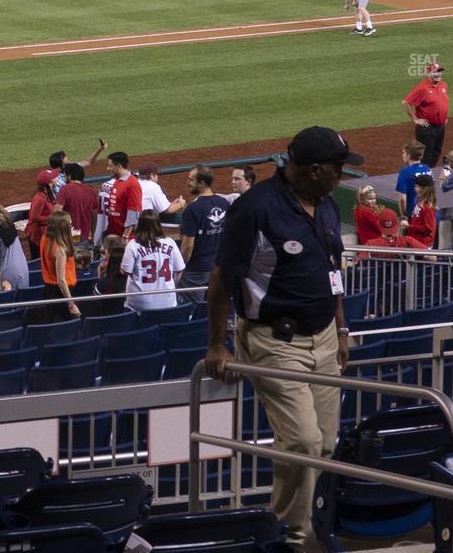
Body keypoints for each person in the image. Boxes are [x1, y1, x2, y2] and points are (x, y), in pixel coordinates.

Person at [203, 126, 359, 547]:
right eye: (338, 168)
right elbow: (221, 279)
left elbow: (332, 270)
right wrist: (218, 343)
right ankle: (290, 536)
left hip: (325, 337)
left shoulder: (325, 205)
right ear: (313, 170)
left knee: (325, 444)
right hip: (274, 341)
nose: (342, 176)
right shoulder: (255, 209)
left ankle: (286, 527)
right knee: (303, 441)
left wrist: (342, 328)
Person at [176, 167, 232, 293]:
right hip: (219, 266)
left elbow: (188, 246)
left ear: (201, 183)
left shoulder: (192, 209)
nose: (187, 183)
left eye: (191, 180)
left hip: (196, 271)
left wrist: (180, 268)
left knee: (190, 308)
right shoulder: (224, 203)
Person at [121, 210, 186, 311]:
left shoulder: (133, 245)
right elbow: (180, 269)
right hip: (168, 301)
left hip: (140, 304)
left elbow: (125, 272)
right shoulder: (170, 242)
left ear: (140, 225)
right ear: (158, 224)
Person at [37, 210, 82, 321]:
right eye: (69, 224)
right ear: (63, 228)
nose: (71, 227)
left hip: (49, 290)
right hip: (61, 294)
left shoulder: (45, 239)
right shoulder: (60, 249)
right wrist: (71, 305)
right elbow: (61, 280)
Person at [405, 63, 448, 168]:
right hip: (427, 128)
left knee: (436, 153)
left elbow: (441, 102)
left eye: (439, 71)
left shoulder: (443, 85)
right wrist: (415, 119)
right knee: (426, 156)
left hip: (440, 127)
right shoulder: (422, 88)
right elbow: (406, 102)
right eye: (435, 72)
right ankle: (422, 178)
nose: (438, 74)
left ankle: (429, 174)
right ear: (428, 73)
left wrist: (443, 117)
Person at [395, 142, 431, 220]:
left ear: (409, 155)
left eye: (404, 153)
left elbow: (402, 199)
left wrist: (404, 215)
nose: (402, 155)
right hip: (427, 212)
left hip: (413, 214)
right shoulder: (427, 168)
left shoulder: (405, 171)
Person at [401, 176, 439, 248]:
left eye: (418, 187)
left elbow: (428, 228)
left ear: (425, 190)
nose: (415, 188)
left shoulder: (428, 208)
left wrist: (409, 226)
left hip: (422, 245)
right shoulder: (420, 200)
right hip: (415, 241)